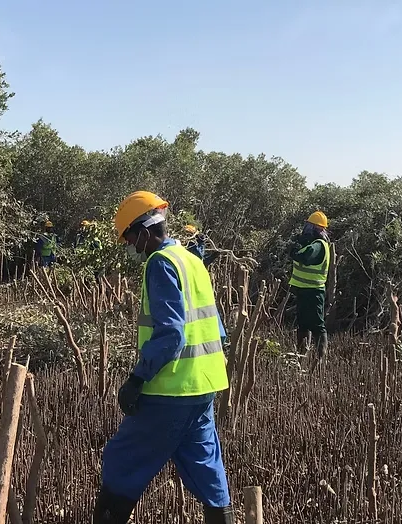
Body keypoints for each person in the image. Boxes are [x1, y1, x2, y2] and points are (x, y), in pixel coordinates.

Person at [95, 191, 234, 524]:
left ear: (144, 231)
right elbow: (218, 329)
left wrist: (137, 378)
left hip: (169, 391)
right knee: (204, 466)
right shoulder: (192, 260)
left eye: (129, 237)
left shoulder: (160, 264)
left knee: (121, 460)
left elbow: (172, 335)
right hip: (203, 387)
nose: (130, 245)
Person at [288, 210, 331, 363]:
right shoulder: (311, 243)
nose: (305, 228)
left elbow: (306, 258)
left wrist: (295, 251)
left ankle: (320, 359)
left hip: (314, 291)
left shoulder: (319, 245)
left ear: (315, 228)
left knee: (317, 325)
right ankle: (301, 355)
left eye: (308, 225)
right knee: (302, 323)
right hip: (303, 290)